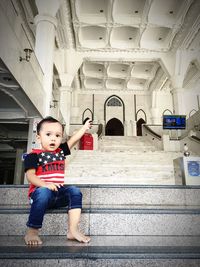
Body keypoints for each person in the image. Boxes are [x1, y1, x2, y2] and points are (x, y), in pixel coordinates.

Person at [24, 116, 92, 246]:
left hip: (58, 194)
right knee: (43, 193)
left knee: (74, 191)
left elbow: (73, 139)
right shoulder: (33, 155)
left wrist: (84, 127)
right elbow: (30, 176)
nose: (53, 138)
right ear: (39, 137)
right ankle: (32, 231)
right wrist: (46, 185)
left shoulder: (60, 152)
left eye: (57, 135)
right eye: (48, 134)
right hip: (40, 194)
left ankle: (73, 230)